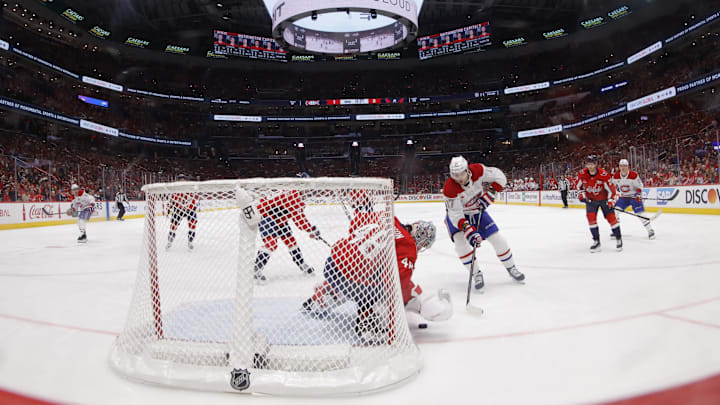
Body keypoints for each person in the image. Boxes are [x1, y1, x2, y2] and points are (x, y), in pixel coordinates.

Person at [302, 215, 451, 342]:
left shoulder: (388, 217)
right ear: (420, 237)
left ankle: (323, 295)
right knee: (380, 288)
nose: (421, 247)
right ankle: (367, 322)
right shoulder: (408, 245)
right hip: (350, 279)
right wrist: (416, 299)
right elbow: (398, 281)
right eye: (424, 243)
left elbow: (357, 222)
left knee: (362, 273)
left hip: (333, 263)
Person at [443, 156, 525, 290]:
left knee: (497, 238)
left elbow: (500, 177)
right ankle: (476, 273)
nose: (459, 178)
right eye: (455, 175)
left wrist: (490, 194)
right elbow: (455, 214)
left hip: (476, 210)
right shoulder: (450, 188)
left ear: (467, 170)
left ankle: (511, 268)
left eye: (461, 174)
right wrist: (469, 231)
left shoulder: (478, 170)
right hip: (459, 216)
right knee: (460, 244)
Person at [253, 173, 322, 282]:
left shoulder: (293, 194)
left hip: (279, 219)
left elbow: (298, 218)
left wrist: (310, 229)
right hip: (266, 216)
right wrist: (311, 230)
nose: (308, 189)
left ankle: (302, 264)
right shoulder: (293, 196)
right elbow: (299, 221)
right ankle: (256, 270)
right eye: (306, 186)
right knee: (271, 244)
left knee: (291, 242)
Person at [577, 155, 622, 252]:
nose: (590, 166)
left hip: (604, 200)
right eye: (588, 164)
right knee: (591, 219)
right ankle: (596, 241)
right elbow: (579, 188)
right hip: (591, 201)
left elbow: (612, 190)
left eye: (592, 164)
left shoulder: (603, 174)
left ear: (596, 164)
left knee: (611, 219)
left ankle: (618, 238)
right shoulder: (582, 174)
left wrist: (610, 201)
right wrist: (581, 196)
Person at [613, 159, 655, 239]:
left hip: (634, 196)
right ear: (619, 167)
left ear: (628, 166)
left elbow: (640, 186)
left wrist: (638, 194)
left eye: (625, 166)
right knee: (615, 211)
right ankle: (616, 231)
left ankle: (650, 230)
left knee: (640, 214)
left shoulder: (633, 175)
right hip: (623, 197)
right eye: (621, 166)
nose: (623, 168)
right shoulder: (616, 176)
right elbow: (613, 187)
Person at [166, 174, 198, 250]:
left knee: (192, 225)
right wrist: (168, 210)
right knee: (173, 226)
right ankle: (169, 242)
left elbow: (195, 197)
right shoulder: (175, 190)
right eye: (180, 179)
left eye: (183, 179)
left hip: (190, 210)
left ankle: (190, 242)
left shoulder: (190, 189)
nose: (182, 180)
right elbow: (171, 201)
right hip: (178, 210)